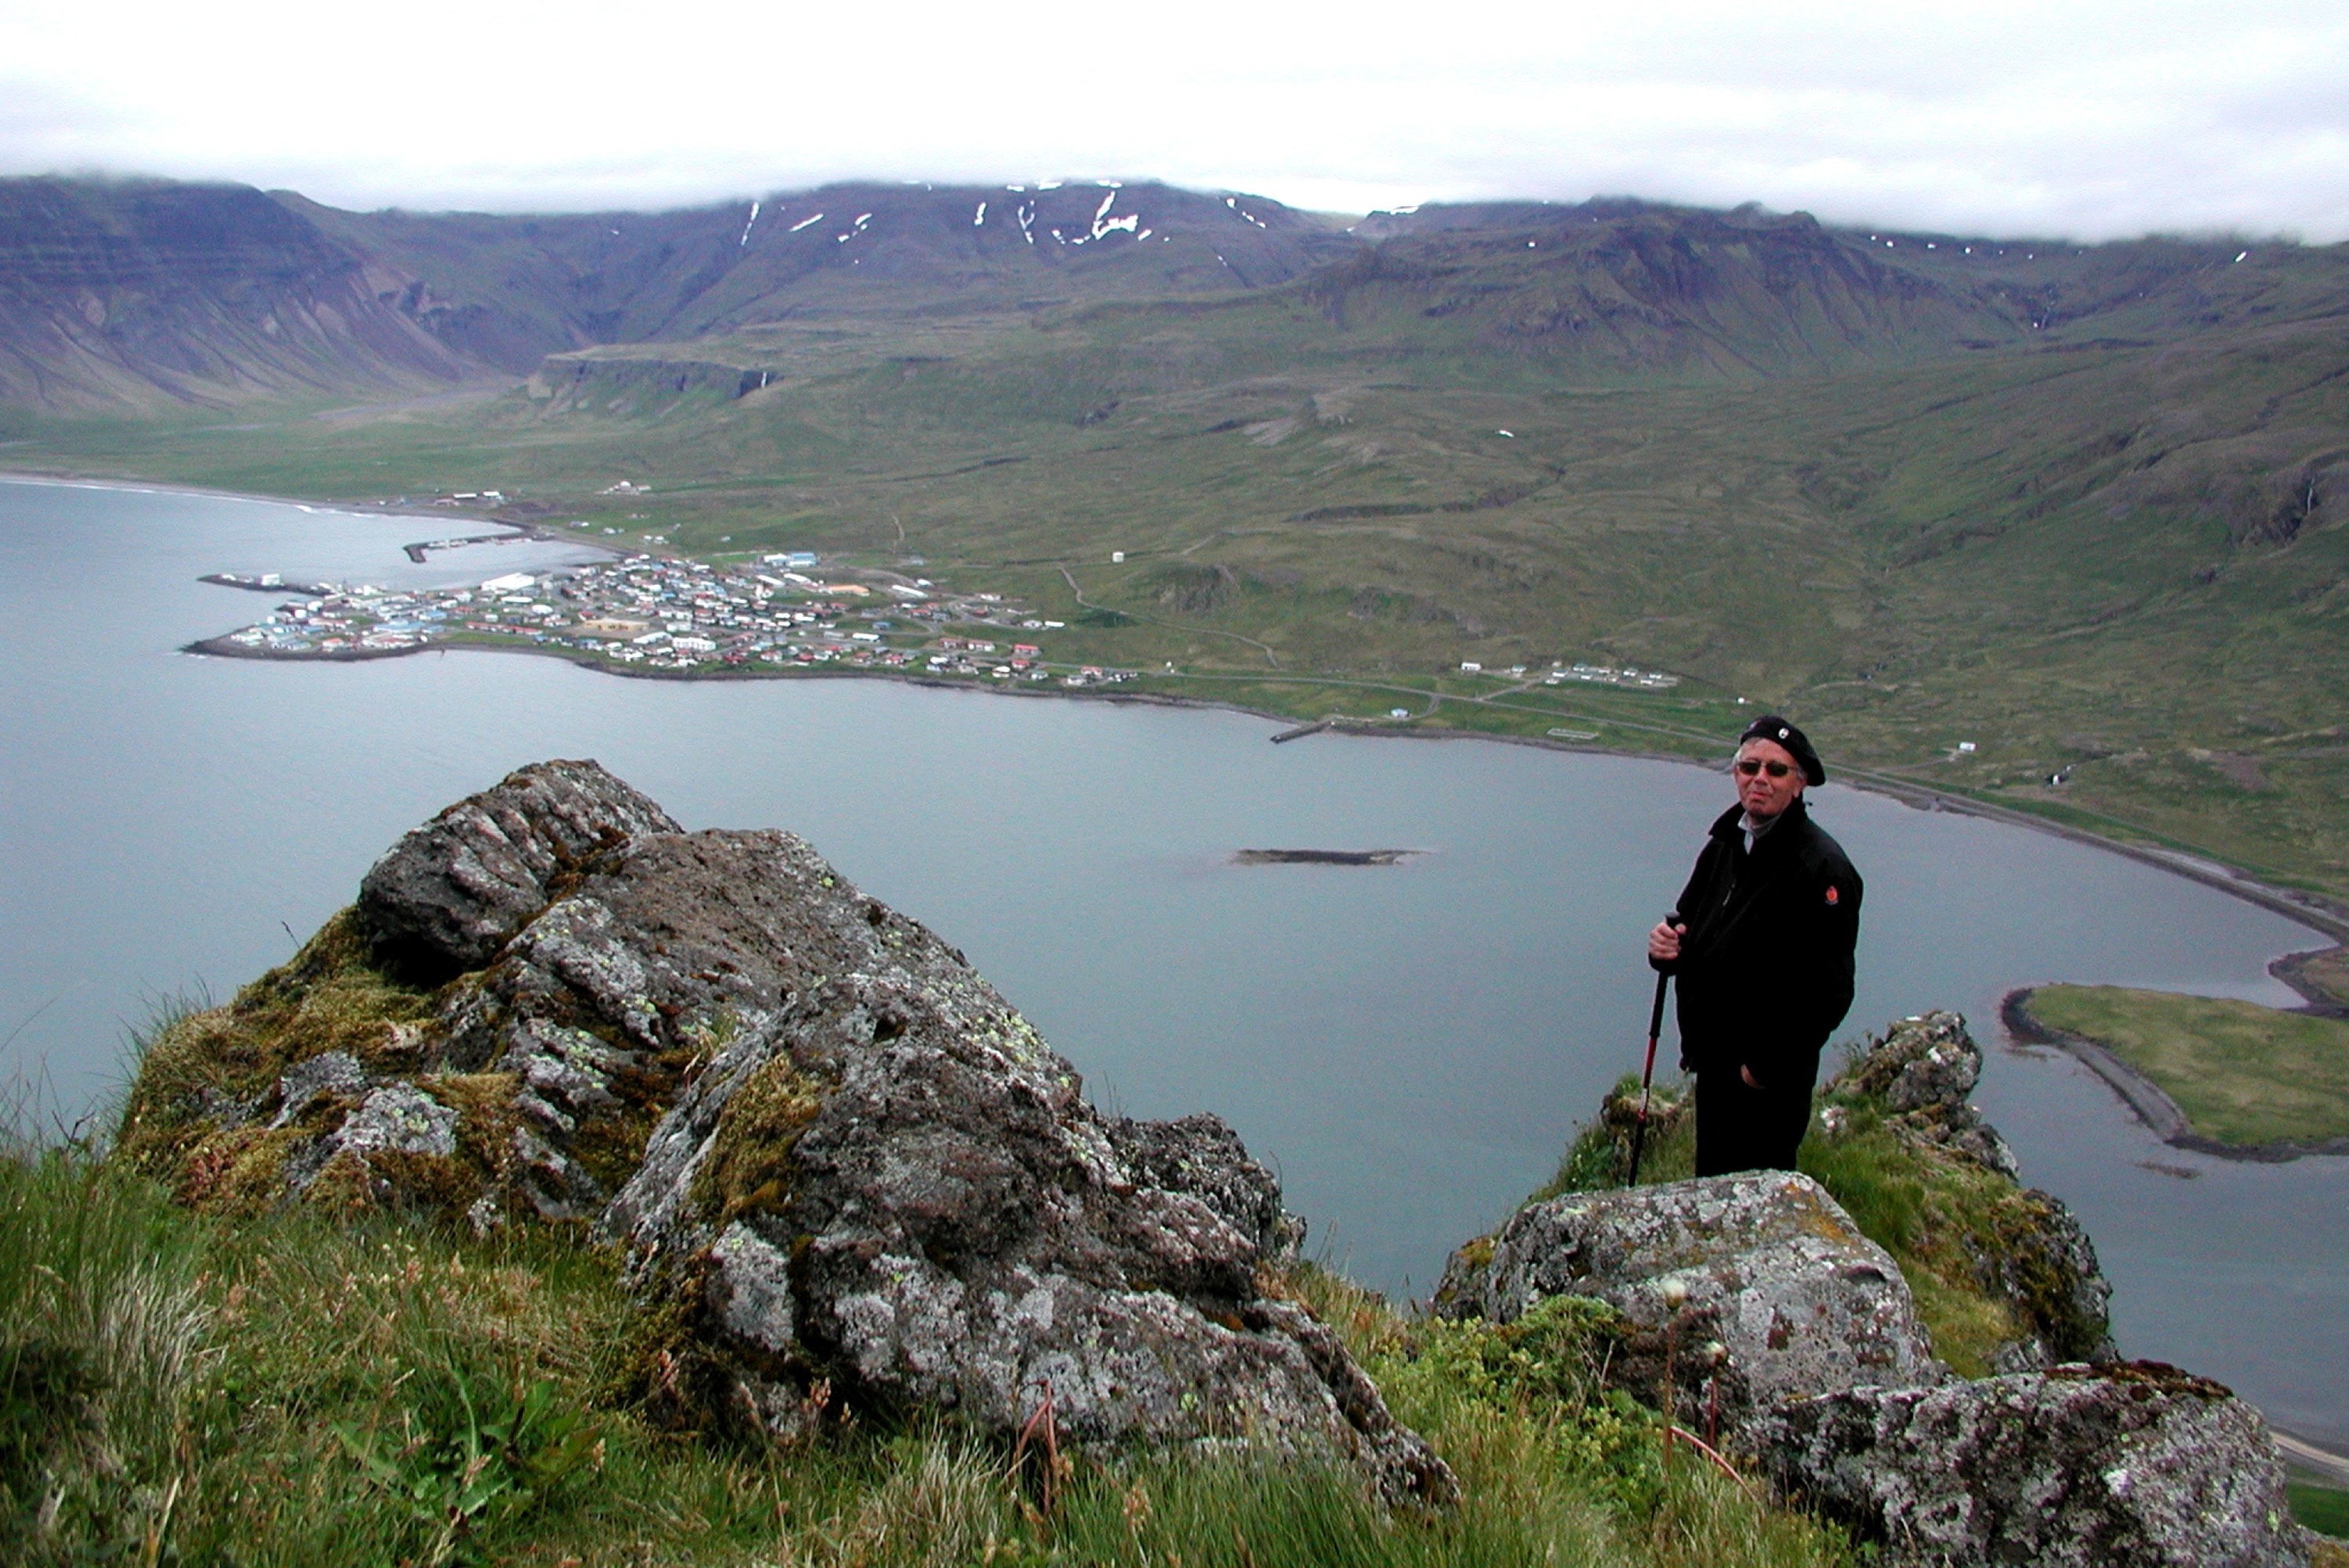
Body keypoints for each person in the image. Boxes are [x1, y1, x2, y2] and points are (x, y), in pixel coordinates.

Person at [1646, 716, 1862, 1176]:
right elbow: (1688, 927)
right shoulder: (1726, 845)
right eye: (1749, 767)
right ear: (1736, 773)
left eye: (1776, 770)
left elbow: (1830, 991)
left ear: (1800, 784)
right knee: (1712, 1183)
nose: (1759, 779)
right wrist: (1664, 947)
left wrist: (1763, 1068)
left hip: (1766, 1083)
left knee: (1756, 1189)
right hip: (1713, 1061)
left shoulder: (1823, 869)